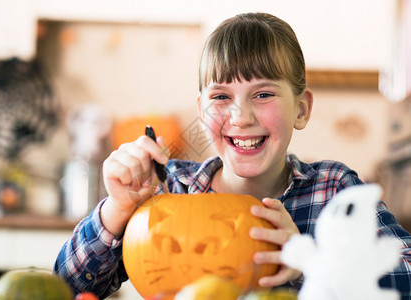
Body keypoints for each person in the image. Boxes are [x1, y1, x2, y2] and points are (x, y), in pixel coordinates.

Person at [54, 12, 411, 299]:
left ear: (301, 109)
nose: (241, 117)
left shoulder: (333, 190)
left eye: (263, 94)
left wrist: (311, 263)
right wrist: (117, 210)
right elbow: (65, 288)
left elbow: (405, 272)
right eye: (221, 97)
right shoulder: (168, 190)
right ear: (201, 110)